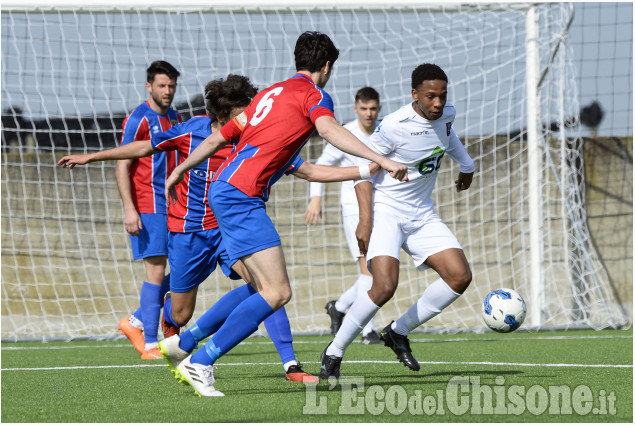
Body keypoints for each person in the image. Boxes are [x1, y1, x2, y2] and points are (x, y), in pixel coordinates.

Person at [58, 74, 379, 383]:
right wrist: (92, 157)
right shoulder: (194, 132)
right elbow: (143, 148)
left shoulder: (256, 136)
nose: (251, 114)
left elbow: (305, 168)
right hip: (190, 233)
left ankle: (290, 363)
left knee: (266, 287)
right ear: (224, 114)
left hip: (229, 229)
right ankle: (155, 320)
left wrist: (363, 169)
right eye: (243, 110)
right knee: (181, 314)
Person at [163, 31, 408, 396]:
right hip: (242, 196)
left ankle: (189, 344)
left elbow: (219, 140)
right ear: (326, 67)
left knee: (262, 287)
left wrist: (181, 169)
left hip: (225, 191)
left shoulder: (268, 96)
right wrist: (382, 158)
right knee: (276, 291)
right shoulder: (313, 95)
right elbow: (328, 129)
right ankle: (200, 361)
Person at [319, 63, 475, 379]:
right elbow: (364, 167)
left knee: (459, 277)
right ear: (414, 94)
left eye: (442, 96)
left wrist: (467, 164)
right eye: (430, 97)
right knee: (384, 285)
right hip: (386, 212)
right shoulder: (394, 125)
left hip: (422, 214)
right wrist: (365, 220)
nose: (438, 104)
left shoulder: (446, 114)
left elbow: (448, 135)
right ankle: (334, 352)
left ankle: (397, 332)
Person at [304, 86, 383, 344]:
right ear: (355, 108)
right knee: (370, 271)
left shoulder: (384, 132)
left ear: (379, 108)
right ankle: (367, 329)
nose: (368, 113)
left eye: (373, 108)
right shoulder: (345, 134)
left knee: (378, 270)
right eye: (364, 108)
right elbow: (321, 166)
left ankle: (339, 307)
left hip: (381, 209)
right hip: (353, 210)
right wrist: (316, 198)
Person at [115, 60, 181, 360]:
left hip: (173, 206)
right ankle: (150, 344)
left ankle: (137, 320)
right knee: (155, 273)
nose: (167, 91)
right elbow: (122, 164)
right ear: (149, 86)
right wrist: (129, 209)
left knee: (185, 267)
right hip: (147, 205)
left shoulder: (177, 117)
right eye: (162, 86)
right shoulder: (138, 119)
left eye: (171, 86)